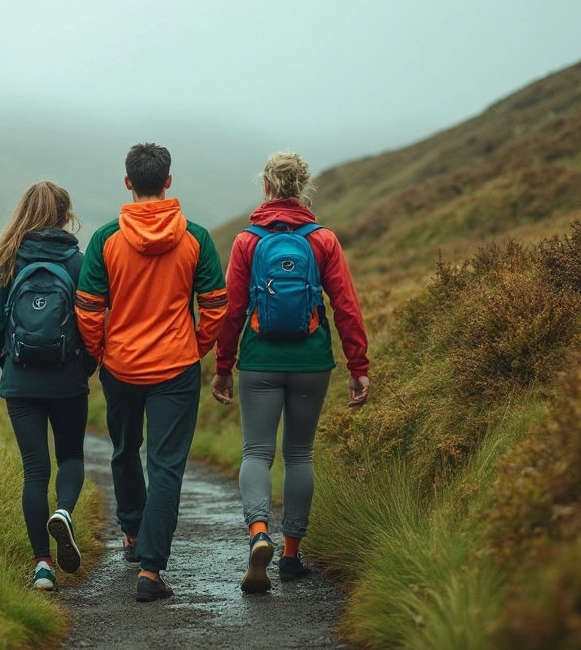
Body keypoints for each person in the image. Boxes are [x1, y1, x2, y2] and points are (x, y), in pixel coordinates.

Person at [75, 143, 228, 602]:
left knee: (124, 449)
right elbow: (216, 306)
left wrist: (104, 352)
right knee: (166, 466)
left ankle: (130, 532)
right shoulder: (195, 236)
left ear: (128, 182)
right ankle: (151, 570)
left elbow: (87, 309)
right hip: (176, 369)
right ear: (168, 181)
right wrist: (193, 348)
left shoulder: (106, 239)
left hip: (120, 366)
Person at [212, 152, 370, 594]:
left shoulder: (247, 241)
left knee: (256, 453)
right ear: (303, 187)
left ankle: (258, 532)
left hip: (260, 359)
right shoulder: (323, 240)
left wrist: (224, 367)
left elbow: (233, 310)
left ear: (265, 186)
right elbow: (347, 306)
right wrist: (358, 365)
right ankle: (290, 556)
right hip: (311, 360)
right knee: (299, 454)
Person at [0, 181, 97, 591]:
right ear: (66, 215)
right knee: (70, 458)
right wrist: (85, 365)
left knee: (34, 471)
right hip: (67, 379)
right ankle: (63, 512)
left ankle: (43, 567)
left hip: (21, 382)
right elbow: (93, 324)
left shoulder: (6, 261)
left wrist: (11, 364)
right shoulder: (79, 263)